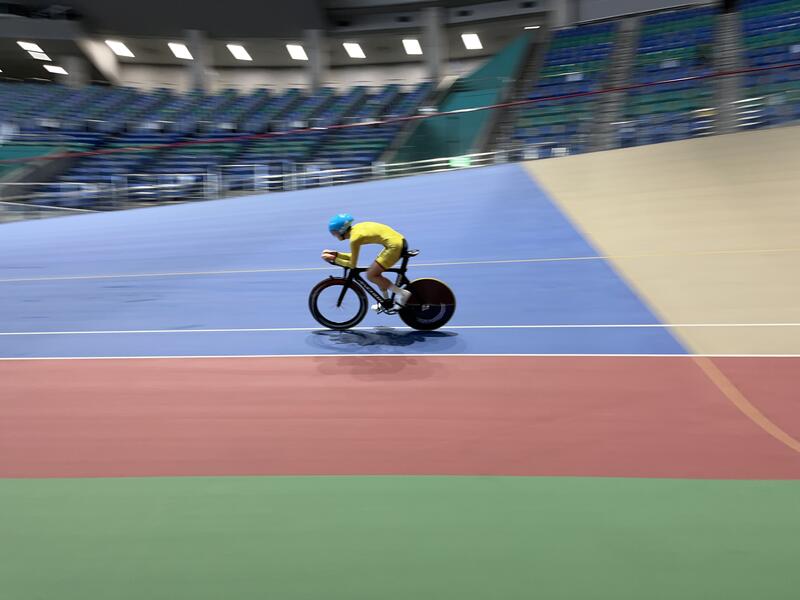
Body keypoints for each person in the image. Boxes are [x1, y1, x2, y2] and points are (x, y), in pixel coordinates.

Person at [322, 213, 412, 310]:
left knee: (371, 275)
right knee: (375, 272)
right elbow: (352, 257)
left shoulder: (354, 239)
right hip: (397, 241)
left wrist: (334, 259)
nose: (334, 235)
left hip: (394, 246)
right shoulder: (355, 230)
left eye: (334, 232)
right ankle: (385, 301)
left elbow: (352, 265)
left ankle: (401, 293)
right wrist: (337, 255)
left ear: (341, 230)